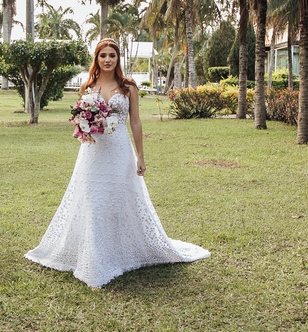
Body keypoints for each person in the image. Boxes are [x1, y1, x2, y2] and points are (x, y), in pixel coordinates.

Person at [25, 38, 209, 288]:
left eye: (112, 55)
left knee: (118, 199)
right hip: (92, 152)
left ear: (118, 58)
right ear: (97, 59)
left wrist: (141, 155)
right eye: (103, 55)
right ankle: (93, 258)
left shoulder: (128, 86)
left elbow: (135, 121)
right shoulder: (88, 86)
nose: (108, 59)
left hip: (120, 149)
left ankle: (119, 251)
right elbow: (81, 119)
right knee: (92, 200)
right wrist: (84, 126)